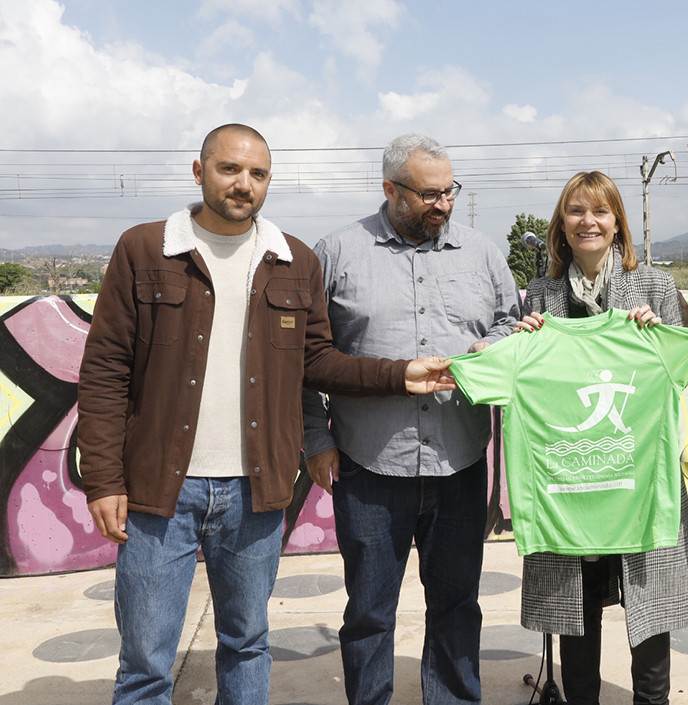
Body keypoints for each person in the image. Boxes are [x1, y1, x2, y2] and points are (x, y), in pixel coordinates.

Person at [77, 123, 456, 705]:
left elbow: (320, 362)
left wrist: (399, 374)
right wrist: (103, 479)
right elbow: (105, 373)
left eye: (257, 174)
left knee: (248, 645)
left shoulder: (293, 260)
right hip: (159, 493)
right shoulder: (145, 249)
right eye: (230, 169)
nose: (243, 184)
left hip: (256, 493)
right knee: (147, 663)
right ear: (199, 172)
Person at [301, 133, 521, 705]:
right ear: (389, 189)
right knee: (370, 612)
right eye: (427, 194)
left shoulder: (482, 252)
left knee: (456, 606)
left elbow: (509, 324)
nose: (442, 205)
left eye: (449, 191)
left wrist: (488, 350)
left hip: (461, 462)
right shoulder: (337, 253)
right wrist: (316, 439)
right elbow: (305, 360)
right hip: (368, 465)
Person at [517, 171, 688, 705]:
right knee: (578, 612)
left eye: (600, 211)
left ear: (618, 222)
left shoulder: (656, 288)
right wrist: (522, 337)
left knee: (650, 614)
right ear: (561, 225)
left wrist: (661, 333)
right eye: (576, 211)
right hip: (569, 482)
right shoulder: (540, 296)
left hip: (638, 476)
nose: (588, 221)